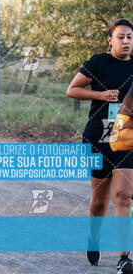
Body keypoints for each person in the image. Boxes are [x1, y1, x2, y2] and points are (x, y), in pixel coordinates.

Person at [66, 18, 133, 273]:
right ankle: (94, 237)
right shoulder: (98, 62)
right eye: (121, 37)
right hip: (98, 137)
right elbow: (72, 89)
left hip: (127, 138)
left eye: (129, 37)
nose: (126, 41)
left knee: (124, 196)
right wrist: (101, 95)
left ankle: (124, 257)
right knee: (100, 199)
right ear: (110, 39)